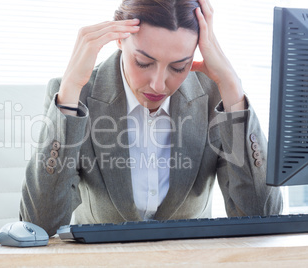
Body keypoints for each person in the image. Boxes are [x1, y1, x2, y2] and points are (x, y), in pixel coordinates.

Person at [20, 0, 283, 236]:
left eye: (179, 67)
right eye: (143, 63)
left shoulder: (216, 96)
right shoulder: (78, 95)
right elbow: (40, 223)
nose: (158, 85)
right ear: (120, 40)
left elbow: (263, 214)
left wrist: (232, 90)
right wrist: (70, 92)